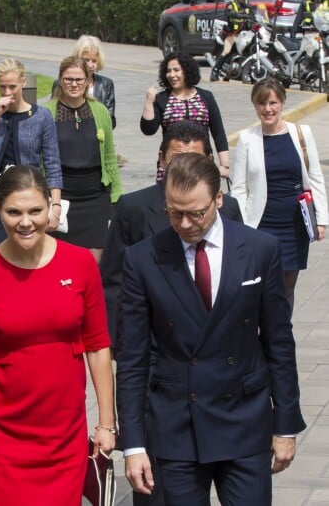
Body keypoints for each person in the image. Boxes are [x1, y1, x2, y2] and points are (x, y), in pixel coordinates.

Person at [116, 152, 306, 506]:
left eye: (196, 213)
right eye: (174, 212)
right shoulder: (143, 259)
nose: (185, 223)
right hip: (176, 425)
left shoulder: (260, 249)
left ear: (219, 198)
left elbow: (279, 343)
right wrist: (134, 443)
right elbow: (132, 360)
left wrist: (285, 423)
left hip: (245, 420)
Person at [0, 165, 115, 504]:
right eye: (13, 212)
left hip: (63, 434)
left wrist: (105, 422)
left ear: (52, 208)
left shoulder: (80, 264)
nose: (25, 222)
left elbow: (98, 347)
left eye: (35, 211)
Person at [101, 121, 242, 351]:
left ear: (209, 159)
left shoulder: (227, 208)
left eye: (194, 159)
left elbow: (239, 272)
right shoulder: (134, 208)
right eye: (176, 159)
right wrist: (118, 344)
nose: (184, 167)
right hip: (156, 347)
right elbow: (113, 281)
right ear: (162, 158)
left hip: (217, 345)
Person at [231, 78, 328, 313]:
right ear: (255, 105)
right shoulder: (247, 139)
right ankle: (261, 337)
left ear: (282, 103)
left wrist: (322, 218)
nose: (268, 109)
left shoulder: (301, 133)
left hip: (294, 224)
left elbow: (315, 177)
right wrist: (241, 226)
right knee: (261, 286)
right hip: (261, 224)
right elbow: (239, 189)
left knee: (287, 287)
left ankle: (281, 339)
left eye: (273, 102)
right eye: (262, 103)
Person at [0, 58, 62, 252]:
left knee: (29, 251)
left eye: (12, 86)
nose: (7, 92)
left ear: (23, 82)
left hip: (30, 193)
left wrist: (55, 205)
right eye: (2, 86)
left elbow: (52, 164)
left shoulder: (41, 117)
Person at [46, 56, 122, 263]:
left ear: (88, 81)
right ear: (60, 80)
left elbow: (108, 156)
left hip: (95, 198)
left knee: (93, 264)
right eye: (68, 79)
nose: (74, 84)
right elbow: (43, 161)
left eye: (79, 79)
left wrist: (116, 196)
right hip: (61, 197)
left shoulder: (100, 111)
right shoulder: (47, 113)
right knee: (61, 262)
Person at [141, 51, 230, 181]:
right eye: (168, 71)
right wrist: (149, 102)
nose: (172, 75)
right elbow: (148, 129)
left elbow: (218, 133)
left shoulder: (206, 97)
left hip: (202, 165)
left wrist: (225, 165)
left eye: (176, 70)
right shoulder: (162, 98)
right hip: (172, 166)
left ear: (187, 71)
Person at [210, 0, 255, 82]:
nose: (244, 0)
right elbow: (230, 13)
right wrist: (240, 15)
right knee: (226, 51)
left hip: (245, 34)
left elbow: (253, 17)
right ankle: (215, 71)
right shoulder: (231, 4)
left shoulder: (248, 6)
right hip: (232, 34)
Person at [71, 35, 117, 128]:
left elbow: (111, 120)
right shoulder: (63, 83)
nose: (90, 65)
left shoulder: (106, 85)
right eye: (86, 60)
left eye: (94, 61)